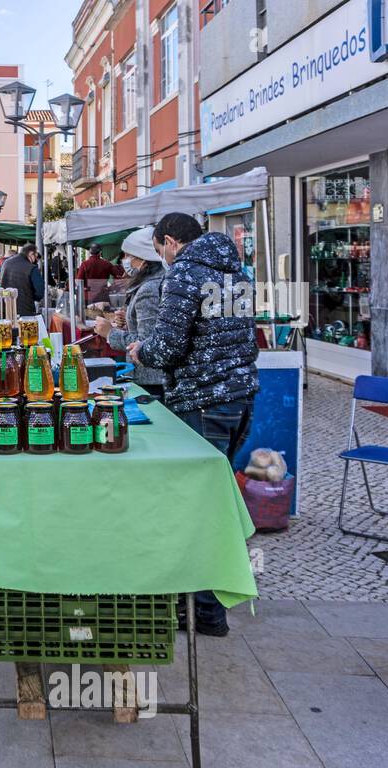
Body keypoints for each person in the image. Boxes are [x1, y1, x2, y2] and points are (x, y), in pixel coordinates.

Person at [128, 212, 259, 637]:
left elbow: (167, 346)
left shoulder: (184, 273)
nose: (160, 257)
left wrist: (139, 351)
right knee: (214, 500)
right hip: (239, 397)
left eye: (158, 248)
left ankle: (205, 612)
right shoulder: (235, 271)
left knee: (197, 505)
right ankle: (209, 606)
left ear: (169, 242)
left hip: (203, 400)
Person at [92, 227, 167, 399]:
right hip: (152, 377)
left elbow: (147, 342)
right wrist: (128, 322)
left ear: (142, 258)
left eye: (128, 256)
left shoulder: (149, 289)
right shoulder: (151, 284)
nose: (125, 261)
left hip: (151, 379)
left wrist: (110, 333)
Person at [0, 244, 44, 316]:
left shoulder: (5, 263)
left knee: (8, 326)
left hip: (4, 307)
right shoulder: (31, 268)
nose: (36, 260)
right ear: (31, 253)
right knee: (22, 327)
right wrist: (32, 297)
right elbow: (39, 291)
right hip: (24, 309)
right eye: (36, 257)